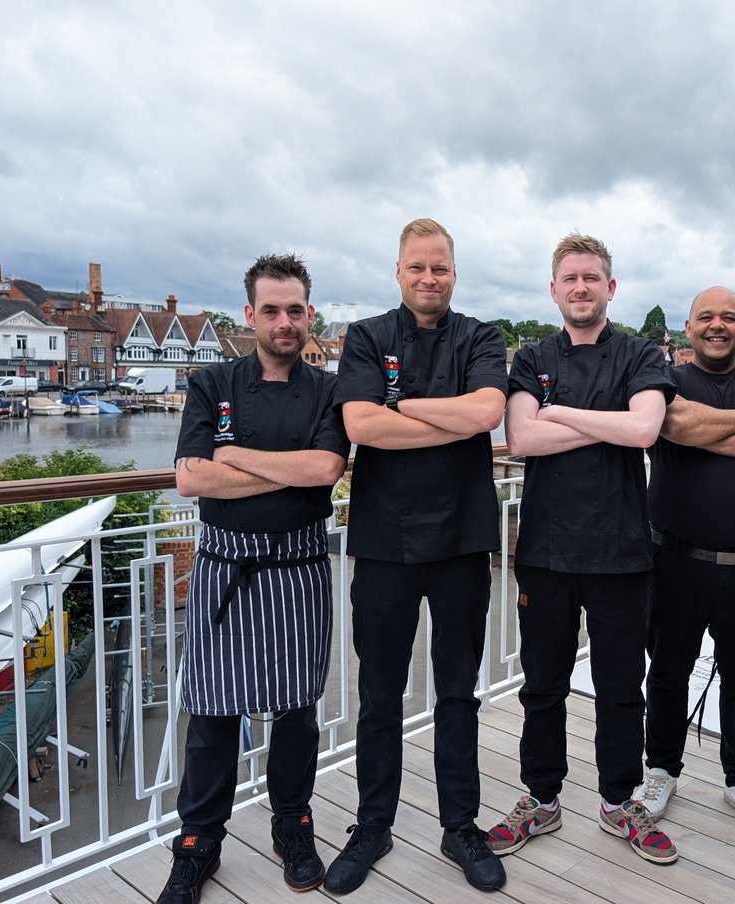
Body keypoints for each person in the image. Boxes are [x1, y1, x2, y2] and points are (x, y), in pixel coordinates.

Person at [160, 253, 350, 903]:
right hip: (223, 564)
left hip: (298, 567)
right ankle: (198, 844)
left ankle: (292, 826)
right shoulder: (212, 382)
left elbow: (325, 471)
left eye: (295, 310)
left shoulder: (327, 390)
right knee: (212, 713)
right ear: (250, 315)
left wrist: (234, 454)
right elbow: (191, 477)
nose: (284, 321)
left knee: (297, 712)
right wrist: (281, 465)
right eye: (271, 310)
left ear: (309, 314)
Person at [326, 218, 508, 894]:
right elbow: (361, 425)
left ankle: (461, 825)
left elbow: (488, 413)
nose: (429, 278)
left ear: (454, 273)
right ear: (398, 271)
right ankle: (373, 825)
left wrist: (402, 407)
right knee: (378, 694)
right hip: (382, 543)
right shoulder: (369, 336)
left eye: (441, 268)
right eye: (417, 268)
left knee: (458, 692)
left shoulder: (481, 337)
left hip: (462, 539)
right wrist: (441, 414)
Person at [487, 233, 678, 865]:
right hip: (545, 549)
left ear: (610, 287)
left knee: (623, 686)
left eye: (591, 277)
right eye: (569, 277)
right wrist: (605, 423)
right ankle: (541, 800)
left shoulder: (640, 353)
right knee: (543, 686)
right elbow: (520, 439)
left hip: (623, 550)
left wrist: (559, 413)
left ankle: (619, 801)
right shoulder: (532, 356)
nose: (580, 287)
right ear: (553, 289)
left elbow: (645, 428)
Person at [631, 286, 735, 836]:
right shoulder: (667, 378)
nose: (717, 325)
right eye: (706, 316)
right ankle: (660, 770)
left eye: (730, 317)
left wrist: (707, 429)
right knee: (667, 674)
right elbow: (674, 424)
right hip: (675, 561)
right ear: (688, 327)